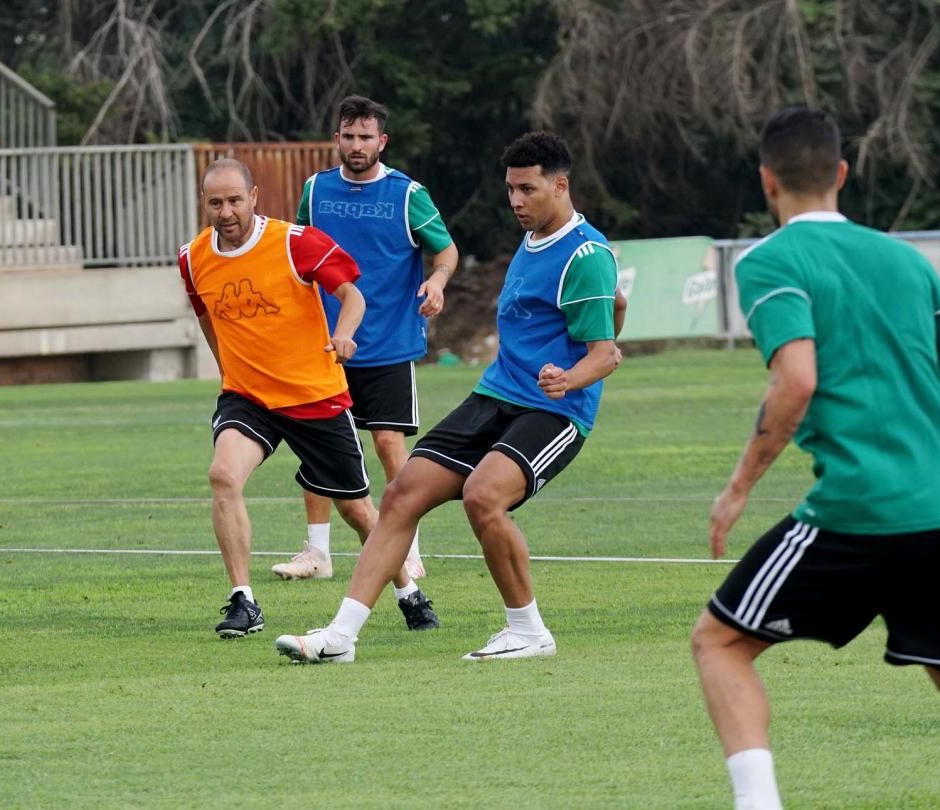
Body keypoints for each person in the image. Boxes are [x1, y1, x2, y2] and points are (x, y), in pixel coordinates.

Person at [690, 106, 940, 810]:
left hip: (862, 507)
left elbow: (797, 380)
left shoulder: (772, 260)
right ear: (841, 173)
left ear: (766, 181)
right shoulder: (907, 259)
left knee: (719, 642)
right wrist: (922, 453)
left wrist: (739, 488)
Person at [275, 131, 627, 663]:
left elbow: (607, 354)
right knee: (404, 492)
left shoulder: (586, 252)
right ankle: (340, 636)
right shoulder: (535, 241)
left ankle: (528, 631)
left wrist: (570, 378)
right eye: (510, 189)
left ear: (560, 185)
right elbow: (615, 303)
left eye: (528, 190)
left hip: (555, 411)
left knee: (484, 496)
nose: (516, 201)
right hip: (496, 393)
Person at [177, 158, 439, 639]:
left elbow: (353, 295)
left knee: (357, 511)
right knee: (222, 475)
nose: (226, 211)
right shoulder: (192, 258)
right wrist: (227, 371)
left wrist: (343, 335)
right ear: (205, 204)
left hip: (313, 396)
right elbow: (207, 318)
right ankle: (243, 601)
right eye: (215, 202)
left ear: (254, 198)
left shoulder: (296, 242)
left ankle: (407, 590)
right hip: (248, 397)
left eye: (235, 200)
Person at [270, 95, 459, 585]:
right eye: (348, 136)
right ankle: (317, 552)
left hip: (390, 344)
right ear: (337, 139)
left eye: (366, 137)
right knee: (318, 446)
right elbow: (300, 255)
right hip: (325, 344)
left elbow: (446, 252)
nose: (356, 146)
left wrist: (436, 283)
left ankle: (408, 549)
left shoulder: (407, 194)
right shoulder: (315, 190)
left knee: (388, 444)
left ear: (382, 141)